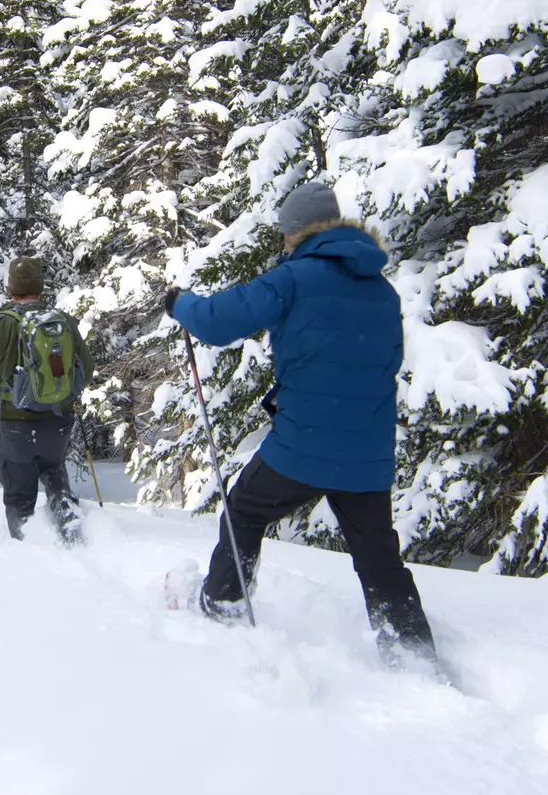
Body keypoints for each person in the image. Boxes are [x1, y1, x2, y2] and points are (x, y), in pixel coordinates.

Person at [163, 180, 437, 669]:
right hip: (367, 452)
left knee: (242, 511)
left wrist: (178, 303)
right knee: (378, 558)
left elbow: (217, 321)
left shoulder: (292, 279)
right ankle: (411, 653)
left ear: (297, 231)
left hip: (304, 444)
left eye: (285, 232)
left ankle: (224, 604)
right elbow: (386, 363)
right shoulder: (382, 291)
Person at [0, 257, 93, 544]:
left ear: (11, 288)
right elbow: (85, 371)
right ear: (40, 287)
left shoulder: (1, 323)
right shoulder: (62, 321)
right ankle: (68, 522)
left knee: (18, 492)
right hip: (59, 419)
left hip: (17, 422)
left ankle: (26, 546)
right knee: (53, 468)